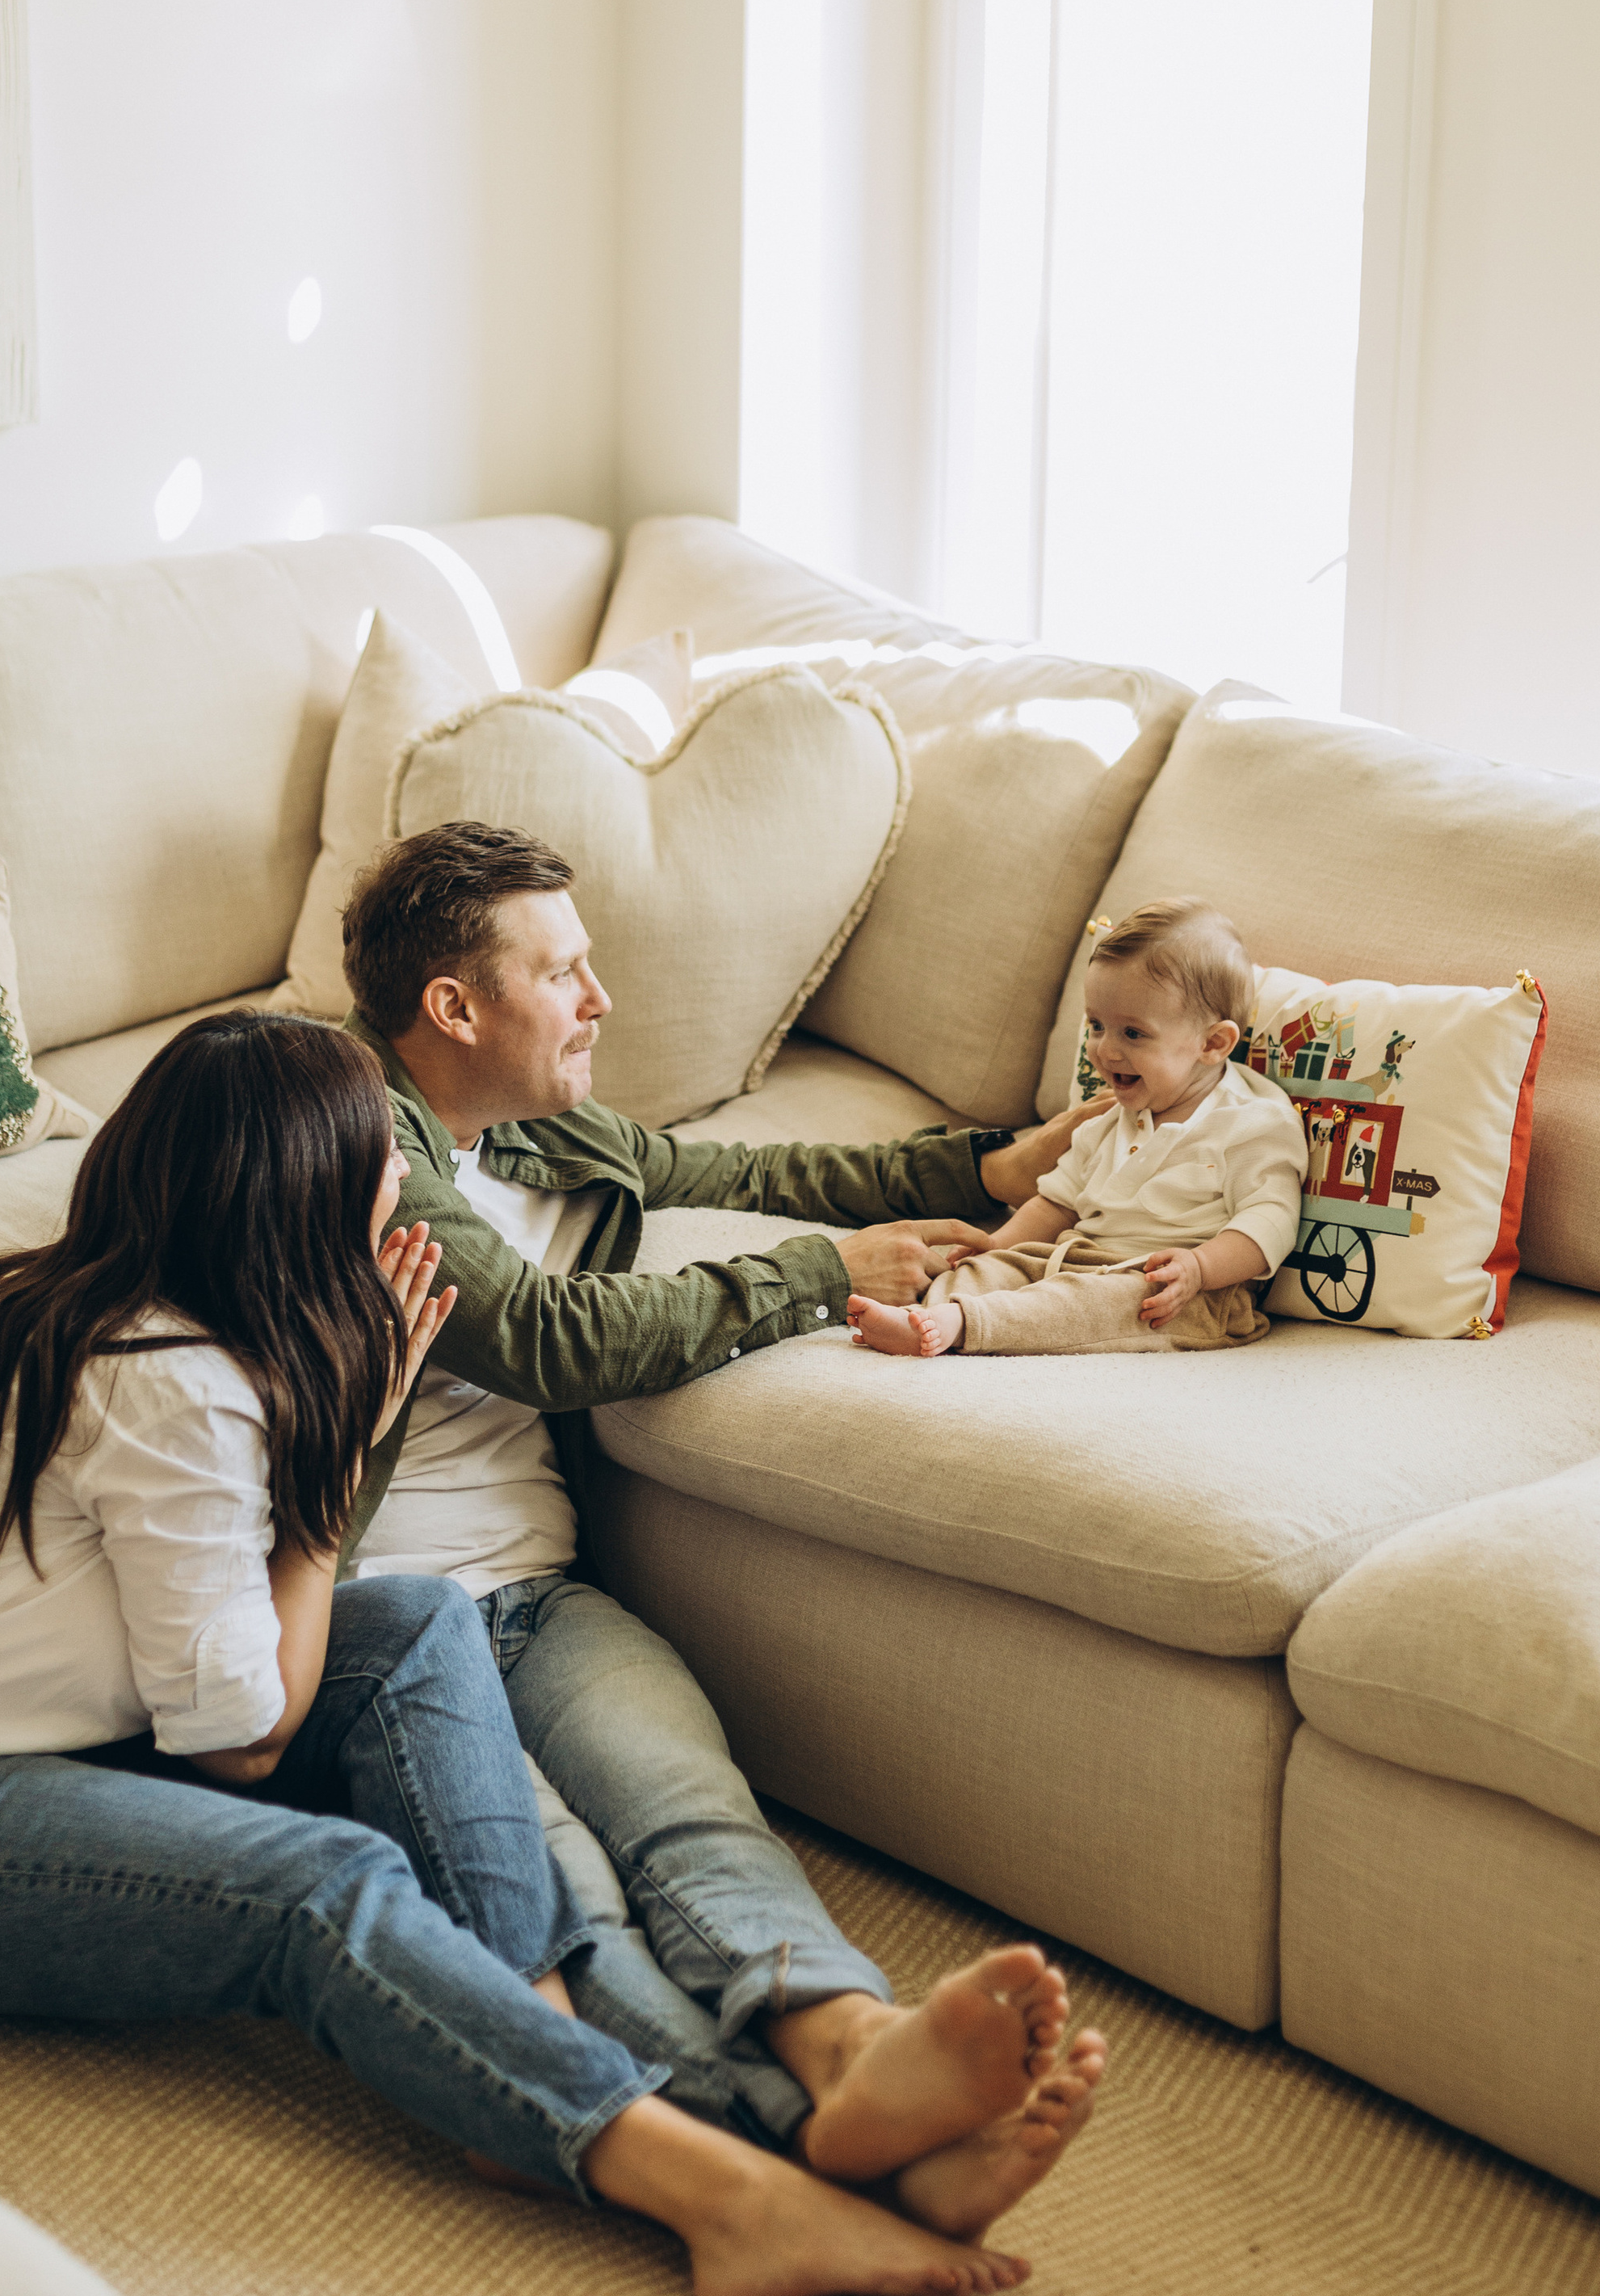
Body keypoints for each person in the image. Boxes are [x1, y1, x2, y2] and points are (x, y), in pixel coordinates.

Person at [0, 1014, 1083, 2296]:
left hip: (17, 1742)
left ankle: (560, 2082)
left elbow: (240, 1673)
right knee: (324, 1885)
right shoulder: (170, 1380)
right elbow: (243, 1738)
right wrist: (339, 1473)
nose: (402, 1180)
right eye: (377, 1161)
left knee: (415, 1624)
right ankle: (740, 2184)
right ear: (305, 1197)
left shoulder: (132, 1316)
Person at [332, 826, 1107, 2210]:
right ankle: (797, 2141)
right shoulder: (353, 1138)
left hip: (537, 1593)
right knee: (563, 1890)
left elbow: (735, 1175)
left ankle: (856, 2045)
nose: (600, 997)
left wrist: (987, 1170)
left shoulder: (530, 1128)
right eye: (563, 970)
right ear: (454, 1008)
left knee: (693, 1812)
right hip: (382, 1621)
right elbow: (539, 1337)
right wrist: (818, 1280)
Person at [848, 899, 1305, 1358]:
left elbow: (1270, 1221)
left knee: (1087, 1303)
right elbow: (1057, 1203)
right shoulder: (1111, 1117)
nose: (1105, 1051)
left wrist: (1201, 1267)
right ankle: (931, 1311)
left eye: (1133, 1033)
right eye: (1097, 1025)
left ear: (1213, 1043)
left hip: (1180, 1292)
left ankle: (959, 1324)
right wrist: (993, 1247)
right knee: (995, 1270)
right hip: (1074, 1258)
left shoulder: (1253, 1121)